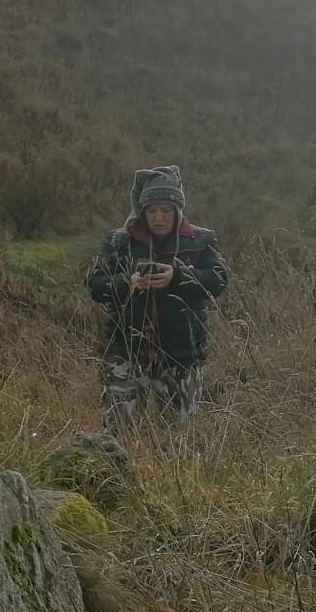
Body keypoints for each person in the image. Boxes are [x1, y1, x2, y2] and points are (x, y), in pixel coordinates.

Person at [84, 165, 229, 429]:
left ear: (178, 210)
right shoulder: (119, 241)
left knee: (181, 436)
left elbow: (219, 281)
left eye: (165, 210)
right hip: (126, 352)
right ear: (142, 211)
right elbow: (94, 285)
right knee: (119, 431)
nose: (158, 218)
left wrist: (178, 276)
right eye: (151, 210)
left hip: (183, 354)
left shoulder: (201, 240)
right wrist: (128, 284)